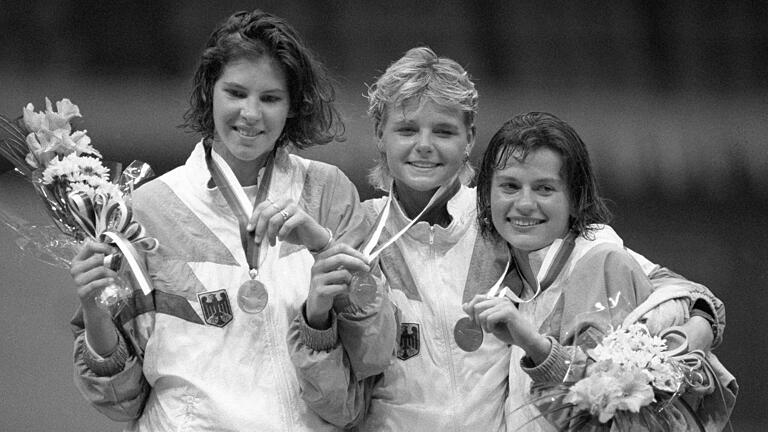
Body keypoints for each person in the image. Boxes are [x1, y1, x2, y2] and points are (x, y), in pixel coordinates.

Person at [290, 47, 726, 431]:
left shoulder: (507, 223)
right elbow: (341, 405)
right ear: (379, 137)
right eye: (406, 130)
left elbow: (671, 287)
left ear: (469, 140)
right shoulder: (361, 236)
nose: (424, 146)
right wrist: (317, 323)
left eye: (443, 131)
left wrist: (697, 324)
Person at [68, 9, 374, 431]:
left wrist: (322, 250)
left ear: (292, 107)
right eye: (235, 92)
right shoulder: (146, 211)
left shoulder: (327, 193)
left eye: (270, 98)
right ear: (209, 91)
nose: (250, 113)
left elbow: (369, 360)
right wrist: (94, 309)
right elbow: (120, 402)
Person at [468, 112, 737, 431]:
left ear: (575, 198)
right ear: (486, 193)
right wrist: (702, 317)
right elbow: (688, 292)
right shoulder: (516, 258)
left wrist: (533, 345)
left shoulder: (598, 261)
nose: (525, 203)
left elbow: (596, 414)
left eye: (544, 189)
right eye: (510, 186)